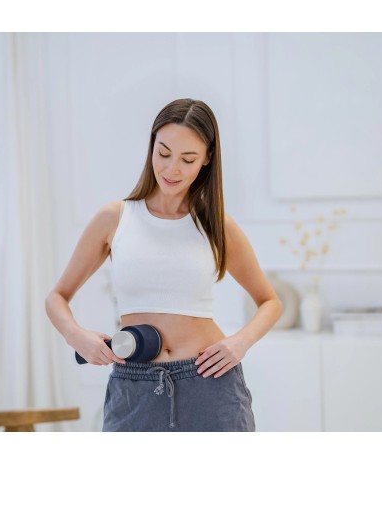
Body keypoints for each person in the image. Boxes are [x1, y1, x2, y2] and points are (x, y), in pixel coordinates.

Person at [45, 98, 282, 431]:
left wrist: (240, 342)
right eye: (164, 153)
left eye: (188, 159)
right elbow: (56, 297)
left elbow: (270, 301)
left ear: (207, 159)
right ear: (151, 146)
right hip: (134, 387)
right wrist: (76, 336)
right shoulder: (115, 219)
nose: (172, 170)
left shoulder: (217, 226)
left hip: (210, 384)